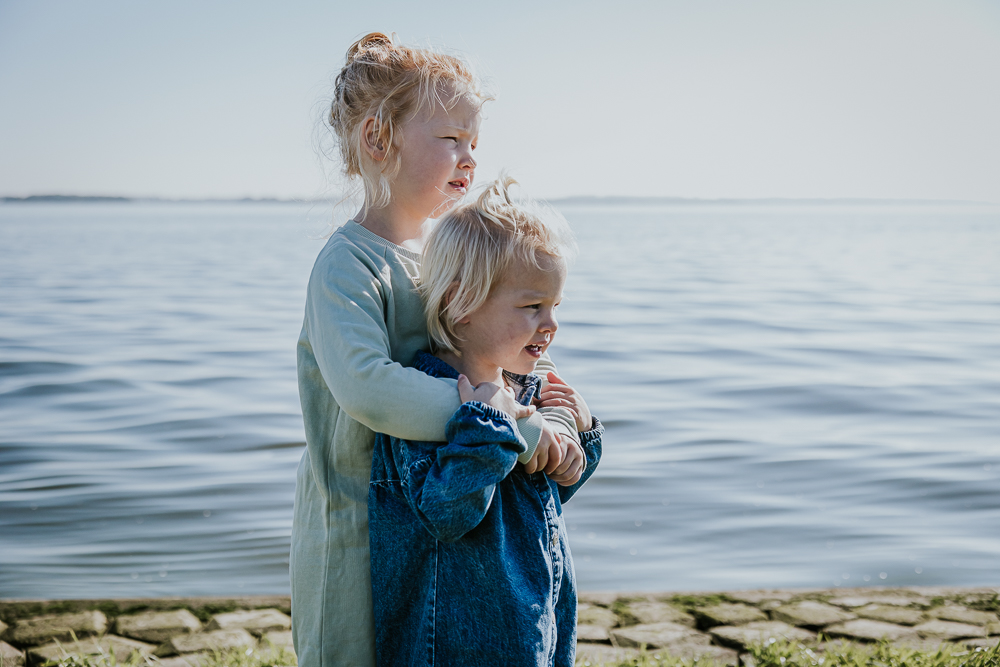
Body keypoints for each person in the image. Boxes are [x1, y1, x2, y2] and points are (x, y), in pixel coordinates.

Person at [291, 33, 585, 666]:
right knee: (353, 651)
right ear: (379, 139)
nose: (469, 157)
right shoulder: (347, 265)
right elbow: (370, 387)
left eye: (475, 142)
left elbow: (503, 346)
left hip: (441, 509)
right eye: (451, 138)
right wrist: (510, 426)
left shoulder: (443, 254)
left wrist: (558, 408)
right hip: (359, 519)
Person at [369, 176, 603, 666]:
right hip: (456, 644)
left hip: (533, 623)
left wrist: (578, 433)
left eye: (555, 306)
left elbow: (548, 495)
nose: (552, 322)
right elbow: (448, 513)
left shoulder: (526, 389)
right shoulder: (425, 400)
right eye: (532, 306)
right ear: (462, 304)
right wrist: (489, 425)